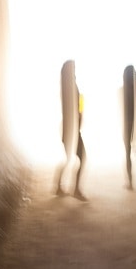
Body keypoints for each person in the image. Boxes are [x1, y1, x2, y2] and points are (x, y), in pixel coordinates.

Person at [54, 60, 86, 200]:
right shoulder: (70, 87)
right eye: (73, 68)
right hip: (70, 130)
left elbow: (79, 105)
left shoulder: (69, 87)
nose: (75, 70)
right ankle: (74, 189)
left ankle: (60, 187)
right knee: (79, 158)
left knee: (72, 159)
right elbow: (78, 107)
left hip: (71, 129)